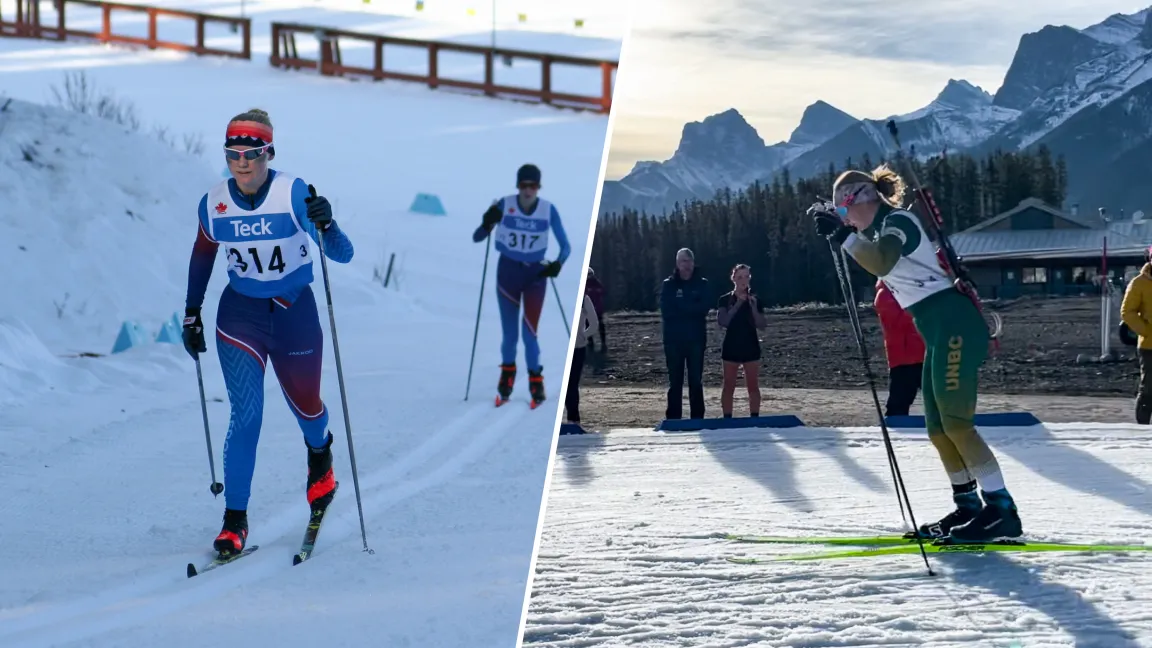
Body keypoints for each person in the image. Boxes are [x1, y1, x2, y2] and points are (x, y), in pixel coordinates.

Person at [810, 164, 1021, 544]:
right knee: (939, 430)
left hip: (954, 324)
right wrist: (842, 232)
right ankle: (969, 505)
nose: (845, 218)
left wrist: (842, 235)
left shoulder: (899, 221)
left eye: (843, 209)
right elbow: (871, 255)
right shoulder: (875, 230)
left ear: (860, 199)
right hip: (936, 329)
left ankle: (1002, 510)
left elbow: (881, 262)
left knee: (957, 423)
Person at [181, 108, 355, 556]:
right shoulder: (214, 202)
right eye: (233, 153)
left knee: (308, 409)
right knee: (247, 416)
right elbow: (203, 255)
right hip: (240, 318)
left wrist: (327, 221)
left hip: (294, 314)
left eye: (252, 153)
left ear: (268, 152)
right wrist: (191, 311)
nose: (242, 162)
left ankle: (321, 457)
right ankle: (234, 520)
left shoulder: (293, 193)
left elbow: (343, 255)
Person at [472, 164, 571, 407]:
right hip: (507, 273)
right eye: (524, 185)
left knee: (529, 333)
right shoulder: (504, 205)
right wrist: (487, 223)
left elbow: (566, 246)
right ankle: (507, 378)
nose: (528, 191)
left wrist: (557, 265)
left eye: (533, 186)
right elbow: (477, 237)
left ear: (539, 187)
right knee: (509, 334)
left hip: (535, 276)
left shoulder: (548, 210)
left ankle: (536, 381)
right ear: (518, 186)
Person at [659, 248, 711, 420]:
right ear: (677, 263)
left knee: (695, 380)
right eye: (683, 261)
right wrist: (690, 308)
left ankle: (697, 418)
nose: (686, 265)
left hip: (696, 340)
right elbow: (667, 311)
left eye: (689, 261)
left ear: (693, 263)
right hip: (673, 341)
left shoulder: (702, 284)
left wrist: (681, 306)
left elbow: (703, 309)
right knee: (675, 382)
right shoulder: (669, 284)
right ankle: (674, 418)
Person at [715, 264, 766, 418]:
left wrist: (754, 308)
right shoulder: (724, 300)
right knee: (729, 385)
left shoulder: (755, 300)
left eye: (746, 276)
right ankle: (727, 418)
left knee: (753, 385)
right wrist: (737, 304)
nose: (744, 280)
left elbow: (762, 325)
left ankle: (754, 417)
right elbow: (723, 321)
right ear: (734, 279)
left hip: (751, 346)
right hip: (731, 346)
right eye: (740, 277)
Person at [874, 278, 925, 417]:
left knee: (937, 397)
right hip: (903, 358)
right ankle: (896, 430)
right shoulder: (885, 295)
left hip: (922, 354)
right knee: (899, 402)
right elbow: (897, 323)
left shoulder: (911, 289)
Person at [1120, 248, 1152, 424]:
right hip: (1149, 345)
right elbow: (1127, 312)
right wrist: (1145, 330)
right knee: (1149, 387)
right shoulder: (1139, 283)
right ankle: (1143, 429)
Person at [565, 293, 599, 425]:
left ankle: (573, 419)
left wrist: (582, 336)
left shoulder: (584, 299)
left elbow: (594, 323)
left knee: (572, 384)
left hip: (578, 348)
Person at [584, 267, 607, 352]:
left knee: (601, 324)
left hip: (597, 307)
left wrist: (595, 291)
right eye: (588, 275)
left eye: (590, 274)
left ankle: (603, 342)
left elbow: (603, 291)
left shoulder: (596, 282)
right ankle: (590, 341)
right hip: (588, 307)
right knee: (587, 324)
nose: (589, 276)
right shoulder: (584, 284)